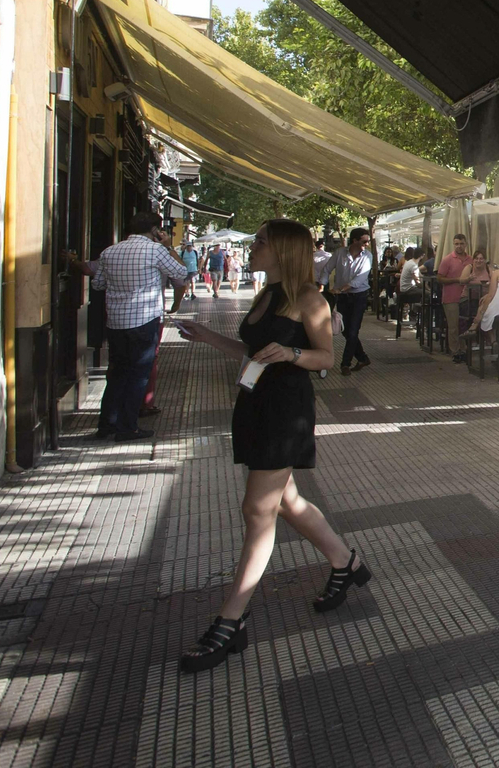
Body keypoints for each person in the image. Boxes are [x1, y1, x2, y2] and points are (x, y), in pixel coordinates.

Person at [174, 219, 370, 673]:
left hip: (286, 411)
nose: (254, 247)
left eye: (261, 241)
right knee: (284, 500)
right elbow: (253, 350)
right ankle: (347, 562)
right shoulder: (266, 295)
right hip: (255, 404)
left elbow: (325, 357)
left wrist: (292, 355)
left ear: (282, 250)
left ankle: (231, 618)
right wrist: (208, 337)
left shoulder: (310, 298)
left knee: (257, 510)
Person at [84, 212, 189, 441]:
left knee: (117, 373)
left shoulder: (110, 251)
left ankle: (107, 424)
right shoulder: (155, 251)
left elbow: (98, 283)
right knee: (138, 375)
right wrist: (169, 247)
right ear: (154, 230)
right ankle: (127, 427)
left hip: (116, 323)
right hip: (144, 321)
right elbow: (181, 273)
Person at [325, 227, 376, 374]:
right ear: (354, 240)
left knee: (353, 331)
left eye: (367, 241)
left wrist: (340, 289)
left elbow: (360, 279)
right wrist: (322, 285)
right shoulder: (340, 253)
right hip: (342, 298)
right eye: (364, 241)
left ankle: (345, 364)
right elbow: (327, 269)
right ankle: (362, 358)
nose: (366, 244)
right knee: (345, 331)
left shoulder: (367, 256)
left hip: (359, 296)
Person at [434, 234, 473, 357]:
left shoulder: (471, 260)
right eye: (456, 244)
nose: (459, 246)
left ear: (466, 244)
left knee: (464, 326)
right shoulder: (447, 259)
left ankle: (464, 349)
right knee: (453, 326)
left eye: (461, 243)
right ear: (453, 244)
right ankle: (455, 351)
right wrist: (458, 280)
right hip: (450, 298)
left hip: (466, 298)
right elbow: (439, 278)